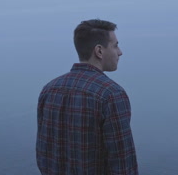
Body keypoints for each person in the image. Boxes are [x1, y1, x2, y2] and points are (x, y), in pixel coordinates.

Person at [36, 19, 138, 175]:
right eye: (115, 45)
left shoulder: (49, 89)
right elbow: (123, 164)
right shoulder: (111, 94)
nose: (120, 52)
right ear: (99, 51)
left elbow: (42, 154)